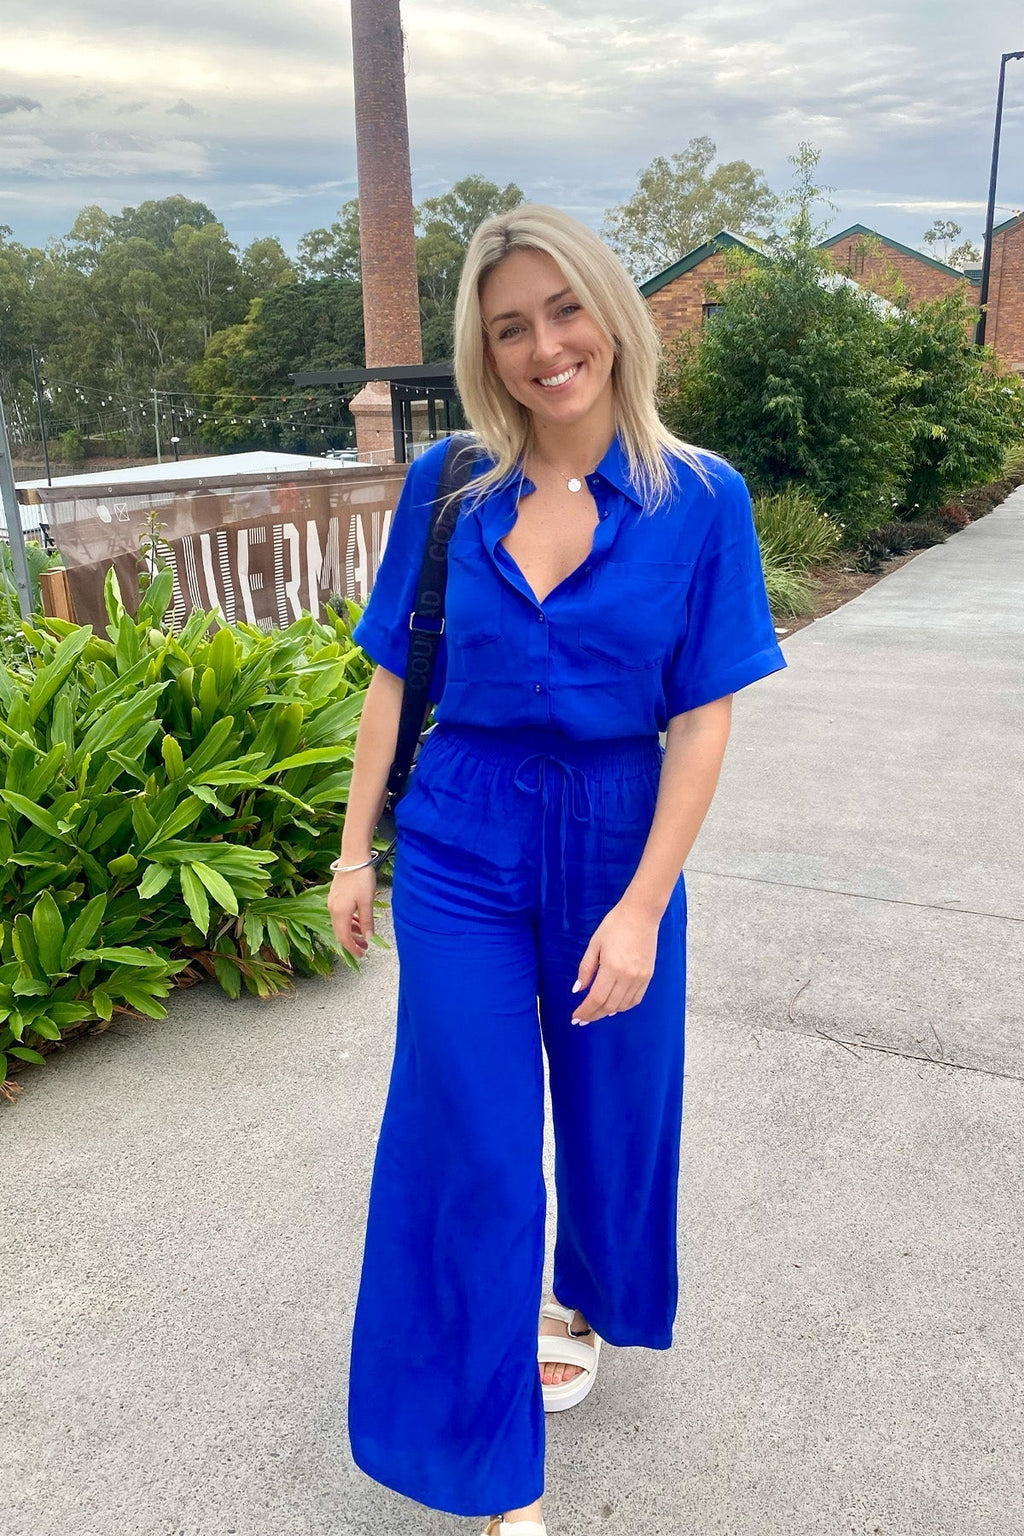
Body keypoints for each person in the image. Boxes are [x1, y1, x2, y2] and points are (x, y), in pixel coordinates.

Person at [328, 204, 786, 1536]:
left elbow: (703, 715)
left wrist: (642, 907)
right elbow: (394, 675)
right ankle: (497, 1483)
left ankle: (584, 1293)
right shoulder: (450, 485)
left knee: (612, 1104)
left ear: (613, 315)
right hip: (463, 838)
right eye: (510, 327)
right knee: (471, 1142)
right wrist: (353, 852)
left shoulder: (700, 498)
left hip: (615, 834)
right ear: (485, 350)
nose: (545, 347)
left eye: (564, 309)